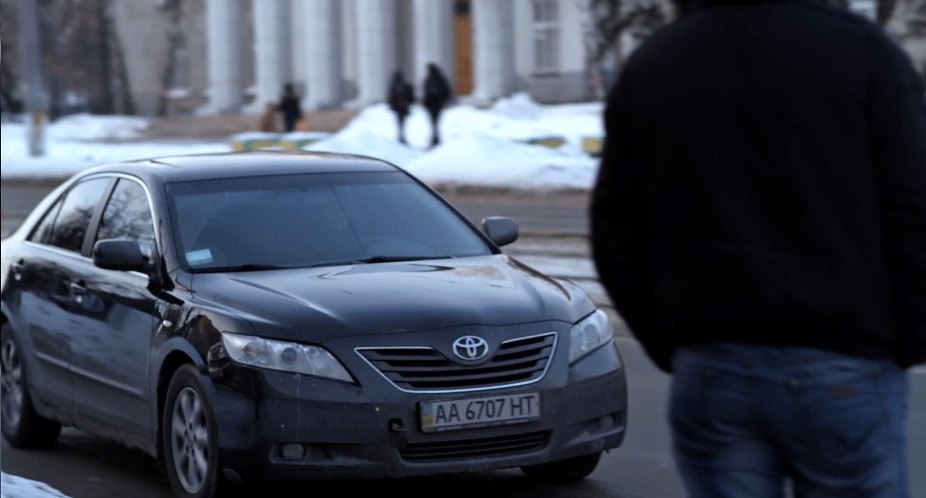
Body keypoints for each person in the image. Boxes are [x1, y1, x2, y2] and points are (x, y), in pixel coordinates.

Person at [590, 1, 926, 497]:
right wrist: (906, 341)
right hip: (843, 358)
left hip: (711, 362)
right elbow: (914, 207)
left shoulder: (658, 61)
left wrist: (672, 342)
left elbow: (616, 230)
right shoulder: (864, 51)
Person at [422, 63, 451, 147]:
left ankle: (435, 138)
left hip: (435, 104)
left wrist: (444, 100)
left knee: (435, 122)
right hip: (432, 104)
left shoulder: (435, 79)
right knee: (434, 122)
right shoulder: (432, 79)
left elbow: (446, 91)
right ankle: (435, 138)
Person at [387, 70, 415, 144]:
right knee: (401, 122)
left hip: (399, 108)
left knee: (400, 122)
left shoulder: (395, 86)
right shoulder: (403, 85)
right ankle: (401, 136)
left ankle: (401, 136)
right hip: (402, 108)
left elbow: (391, 97)